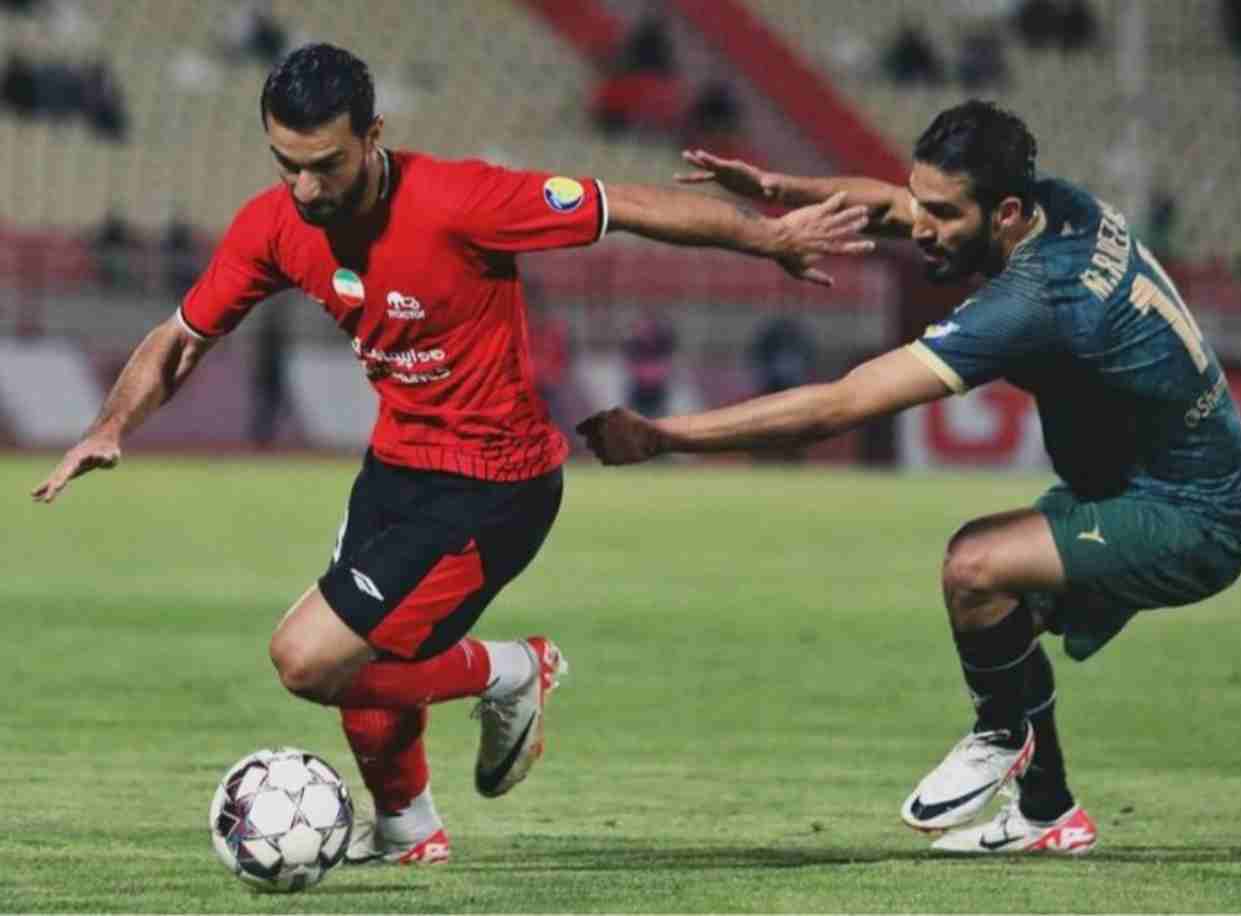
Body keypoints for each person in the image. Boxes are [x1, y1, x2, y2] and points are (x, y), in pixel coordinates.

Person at [31, 44, 870, 866]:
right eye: (287, 164)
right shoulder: (276, 223)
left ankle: (512, 670)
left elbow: (628, 206)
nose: (306, 187)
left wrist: (770, 240)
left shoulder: (463, 199)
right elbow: (182, 336)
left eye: (325, 165)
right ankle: (407, 830)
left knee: (310, 660)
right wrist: (111, 426)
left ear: (373, 136)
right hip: (394, 467)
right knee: (369, 656)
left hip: (495, 486)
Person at [578, 100, 1241, 856]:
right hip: (1154, 482)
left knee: (975, 567)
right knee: (998, 609)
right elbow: (887, 205)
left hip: (1196, 513)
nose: (921, 226)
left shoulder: (1034, 300)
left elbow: (839, 406)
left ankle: (1000, 734)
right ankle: (1046, 812)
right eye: (922, 201)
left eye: (942, 214)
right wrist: (778, 188)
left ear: (1004, 214)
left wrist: (667, 435)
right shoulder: (1055, 205)